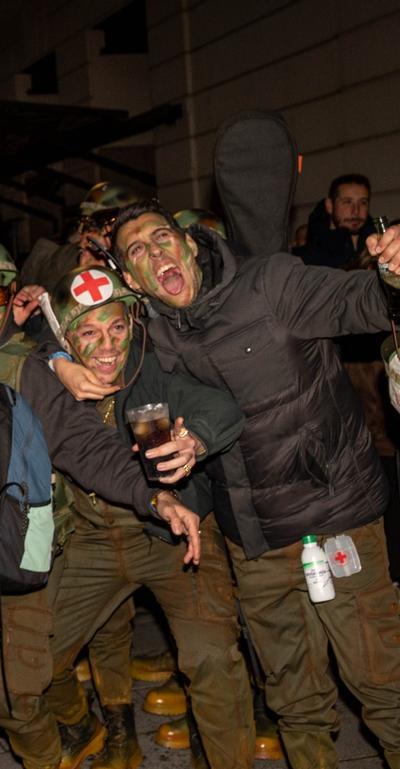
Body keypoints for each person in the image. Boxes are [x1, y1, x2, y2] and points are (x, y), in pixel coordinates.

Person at [111, 197, 400, 769]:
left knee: (384, 689)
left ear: (189, 243)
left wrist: (393, 273)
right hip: (255, 547)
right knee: (295, 702)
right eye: (137, 251)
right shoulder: (147, 342)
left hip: (337, 518)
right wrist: (178, 461)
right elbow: (101, 373)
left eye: (162, 237)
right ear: (129, 277)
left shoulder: (272, 282)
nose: (155, 252)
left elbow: (364, 302)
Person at [38, 265, 254, 769]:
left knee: (212, 661)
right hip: (91, 540)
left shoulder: (150, 369)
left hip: (171, 535)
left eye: (117, 328)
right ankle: (88, 728)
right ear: (66, 340)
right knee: (30, 668)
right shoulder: (47, 377)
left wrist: (193, 439)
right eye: (89, 333)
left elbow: (223, 408)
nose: (108, 345)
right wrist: (52, 363)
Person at [299, 173, 373, 269]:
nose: (356, 211)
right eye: (347, 202)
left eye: (363, 202)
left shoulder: (380, 248)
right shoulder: (308, 260)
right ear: (329, 206)